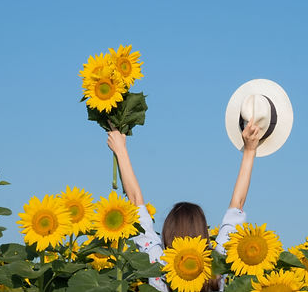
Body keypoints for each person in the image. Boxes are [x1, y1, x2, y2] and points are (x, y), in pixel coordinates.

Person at [106, 119, 262, 292]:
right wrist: (250, 151)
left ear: (167, 231)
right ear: (203, 233)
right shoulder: (216, 268)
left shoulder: (159, 264)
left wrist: (120, 150)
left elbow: (135, 201)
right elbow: (237, 203)